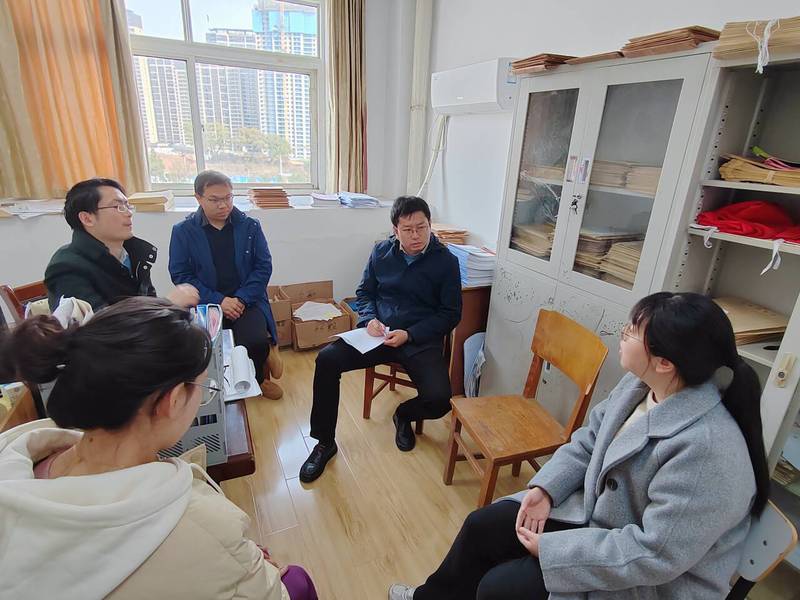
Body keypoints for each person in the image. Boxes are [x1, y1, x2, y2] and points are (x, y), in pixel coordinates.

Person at [390, 292, 770, 600]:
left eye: (631, 332)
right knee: (481, 526)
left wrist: (554, 551)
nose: (622, 334)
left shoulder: (707, 451)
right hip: (598, 519)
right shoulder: (640, 385)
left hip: (646, 580)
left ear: (665, 362)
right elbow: (589, 440)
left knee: (498, 589)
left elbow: (655, 555)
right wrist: (546, 488)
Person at [0, 297, 317, 600]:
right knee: (296, 580)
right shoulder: (202, 525)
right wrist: (255, 567)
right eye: (204, 387)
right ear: (174, 400)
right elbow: (270, 591)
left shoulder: (24, 458)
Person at [299, 196, 462, 483]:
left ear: (430, 225)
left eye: (422, 227)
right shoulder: (381, 252)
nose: (416, 235)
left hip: (418, 339)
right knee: (327, 360)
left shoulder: (446, 262)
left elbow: (451, 314)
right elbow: (365, 293)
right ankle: (324, 442)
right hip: (378, 334)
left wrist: (411, 334)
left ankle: (403, 414)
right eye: (408, 229)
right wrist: (369, 319)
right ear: (395, 229)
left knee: (440, 400)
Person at [169, 170, 283, 400]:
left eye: (228, 198)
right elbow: (181, 274)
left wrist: (241, 299)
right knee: (205, 347)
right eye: (214, 199)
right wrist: (219, 300)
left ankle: (258, 378)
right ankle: (219, 385)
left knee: (255, 342)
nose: (223, 205)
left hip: (246, 300)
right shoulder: (183, 231)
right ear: (198, 198)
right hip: (206, 303)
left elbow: (263, 267)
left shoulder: (250, 226)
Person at [45, 177, 198, 311]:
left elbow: (146, 304)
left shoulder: (134, 253)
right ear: (87, 218)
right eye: (118, 207)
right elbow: (99, 326)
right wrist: (167, 305)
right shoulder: (66, 267)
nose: (129, 213)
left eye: (127, 206)